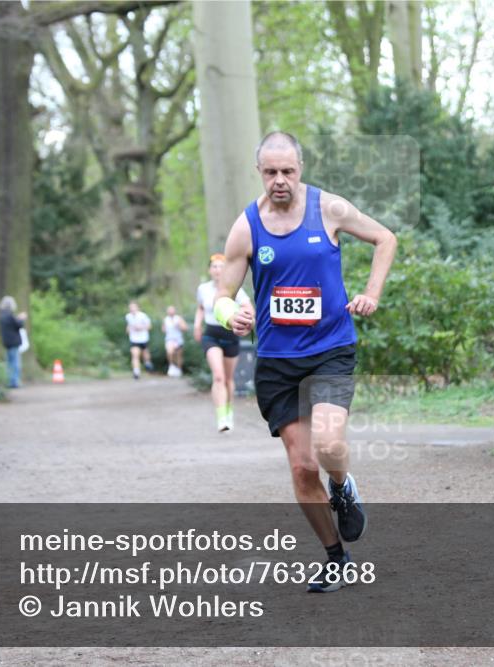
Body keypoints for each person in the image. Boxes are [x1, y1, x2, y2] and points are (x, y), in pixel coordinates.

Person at [215, 131, 397, 592]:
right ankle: (336, 557)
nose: (280, 180)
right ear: (259, 171)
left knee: (330, 444)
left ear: (300, 169)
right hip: (277, 362)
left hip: (331, 349)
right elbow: (222, 294)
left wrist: (371, 293)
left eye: (288, 171)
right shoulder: (246, 226)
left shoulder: (328, 208)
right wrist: (231, 312)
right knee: (301, 466)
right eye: (271, 172)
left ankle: (343, 485)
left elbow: (384, 238)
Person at [195, 254, 251, 432]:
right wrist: (197, 324)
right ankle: (221, 419)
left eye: (221, 266)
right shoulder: (203, 289)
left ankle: (229, 412)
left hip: (230, 335)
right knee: (218, 376)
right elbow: (201, 308)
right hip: (210, 334)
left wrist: (247, 319)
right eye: (214, 267)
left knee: (227, 379)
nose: (218, 270)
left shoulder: (234, 288)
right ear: (209, 270)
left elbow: (248, 307)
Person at [0, 296, 27, 389]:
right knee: (15, 363)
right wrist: (21, 318)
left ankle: (11, 381)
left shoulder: (2, 315)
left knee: (10, 363)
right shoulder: (9, 315)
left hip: (7, 342)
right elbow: (18, 325)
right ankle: (14, 382)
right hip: (13, 342)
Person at [125, 301, 153, 379]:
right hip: (134, 339)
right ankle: (136, 372)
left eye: (134, 307)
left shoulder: (143, 316)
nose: (132, 309)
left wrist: (141, 327)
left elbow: (149, 326)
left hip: (143, 338)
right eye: (130, 308)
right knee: (135, 355)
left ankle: (147, 363)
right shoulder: (128, 316)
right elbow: (128, 325)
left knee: (145, 355)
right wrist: (128, 329)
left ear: (138, 308)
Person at [162, 305, 188, 377]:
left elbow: (185, 328)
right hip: (169, 339)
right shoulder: (166, 319)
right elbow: (163, 329)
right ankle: (171, 366)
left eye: (172, 310)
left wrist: (179, 326)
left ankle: (179, 369)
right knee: (169, 352)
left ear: (174, 311)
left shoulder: (179, 318)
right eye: (169, 310)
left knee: (178, 355)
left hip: (178, 339)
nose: (170, 312)